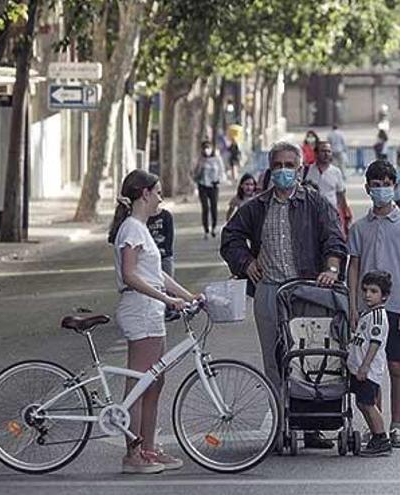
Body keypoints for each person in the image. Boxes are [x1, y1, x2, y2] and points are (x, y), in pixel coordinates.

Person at [220, 141, 347, 450]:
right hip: (268, 292)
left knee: (309, 358)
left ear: (300, 170)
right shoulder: (256, 206)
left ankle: (312, 427)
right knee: (274, 363)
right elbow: (230, 238)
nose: (283, 171)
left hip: (307, 294)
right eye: (277, 166)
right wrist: (246, 262)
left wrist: (331, 267)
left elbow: (335, 238)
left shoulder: (315, 203)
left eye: (289, 166)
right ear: (270, 170)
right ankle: (279, 428)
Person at [108, 170, 200, 474]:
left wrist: (187, 296)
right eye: (158, 191)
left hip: (151, 311)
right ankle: (133, 454)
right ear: (144, 194)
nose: (161, 197)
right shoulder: (131, 229)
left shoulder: (141, 228)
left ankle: (148, 446)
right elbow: (131, 274)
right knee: (139, 382)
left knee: (154, 381)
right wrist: (167, 300)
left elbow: (156, 274)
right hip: (140, 310)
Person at [348, 159, 400, 449]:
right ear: (367, 188)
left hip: (397, 306)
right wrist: (353, 306)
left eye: (386, 185)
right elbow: (353, 267)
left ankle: (397, 426)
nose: (381, 190)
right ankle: (374, 425)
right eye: (376, 186)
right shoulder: (359, 227)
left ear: (395, 186)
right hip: (366, 311)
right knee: (370, 370)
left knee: (397, 366)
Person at [348, 271, 394, 457]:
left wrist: (365, 366)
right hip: (359, 367)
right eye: (365, 290)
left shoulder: (378, 317)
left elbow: (375, 343)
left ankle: (381, 438)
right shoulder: (368, 313)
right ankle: (376, 435)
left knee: (368, 403)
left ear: (384, 296)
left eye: (373, 291)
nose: (368, 294)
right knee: (362, 402)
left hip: (367, 370)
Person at [305, 141, 352, 235]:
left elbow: (341, 195)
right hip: (310, 217)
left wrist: (345, 213)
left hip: (331, 217)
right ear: (316, 153)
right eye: (323, 151)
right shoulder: (306, 171)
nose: (326, 154)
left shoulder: (336, 172)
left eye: (329, 151)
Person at [192, 140, 225, 240]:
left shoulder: (217, 159)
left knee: (214, 207)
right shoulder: (200, 159)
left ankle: (214, 228)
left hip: (214, 186)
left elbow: (221, 171)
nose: (207, 150)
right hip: (202, 185)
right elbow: (195, 173)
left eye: (208, 148)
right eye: (205, 148)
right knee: (205, 208)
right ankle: (206, 230)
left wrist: (218, 180)